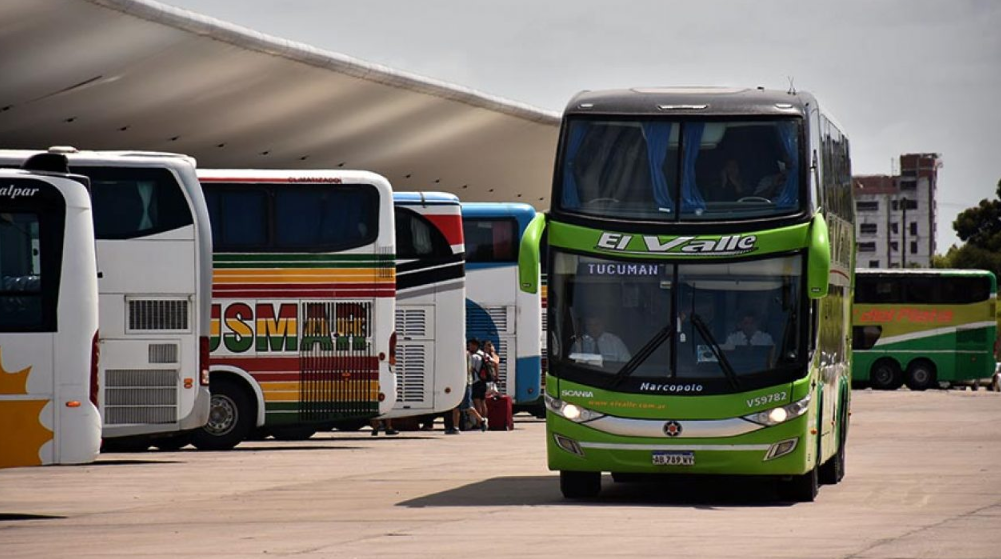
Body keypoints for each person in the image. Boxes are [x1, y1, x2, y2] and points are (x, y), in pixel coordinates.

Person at [446, 338, 487, 434]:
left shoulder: (465, 354)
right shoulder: (464, 354)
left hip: (466, 383)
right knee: (455, 406)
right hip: (459, 382)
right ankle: (455, 427)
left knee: (467, 406)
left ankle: (481, 420)